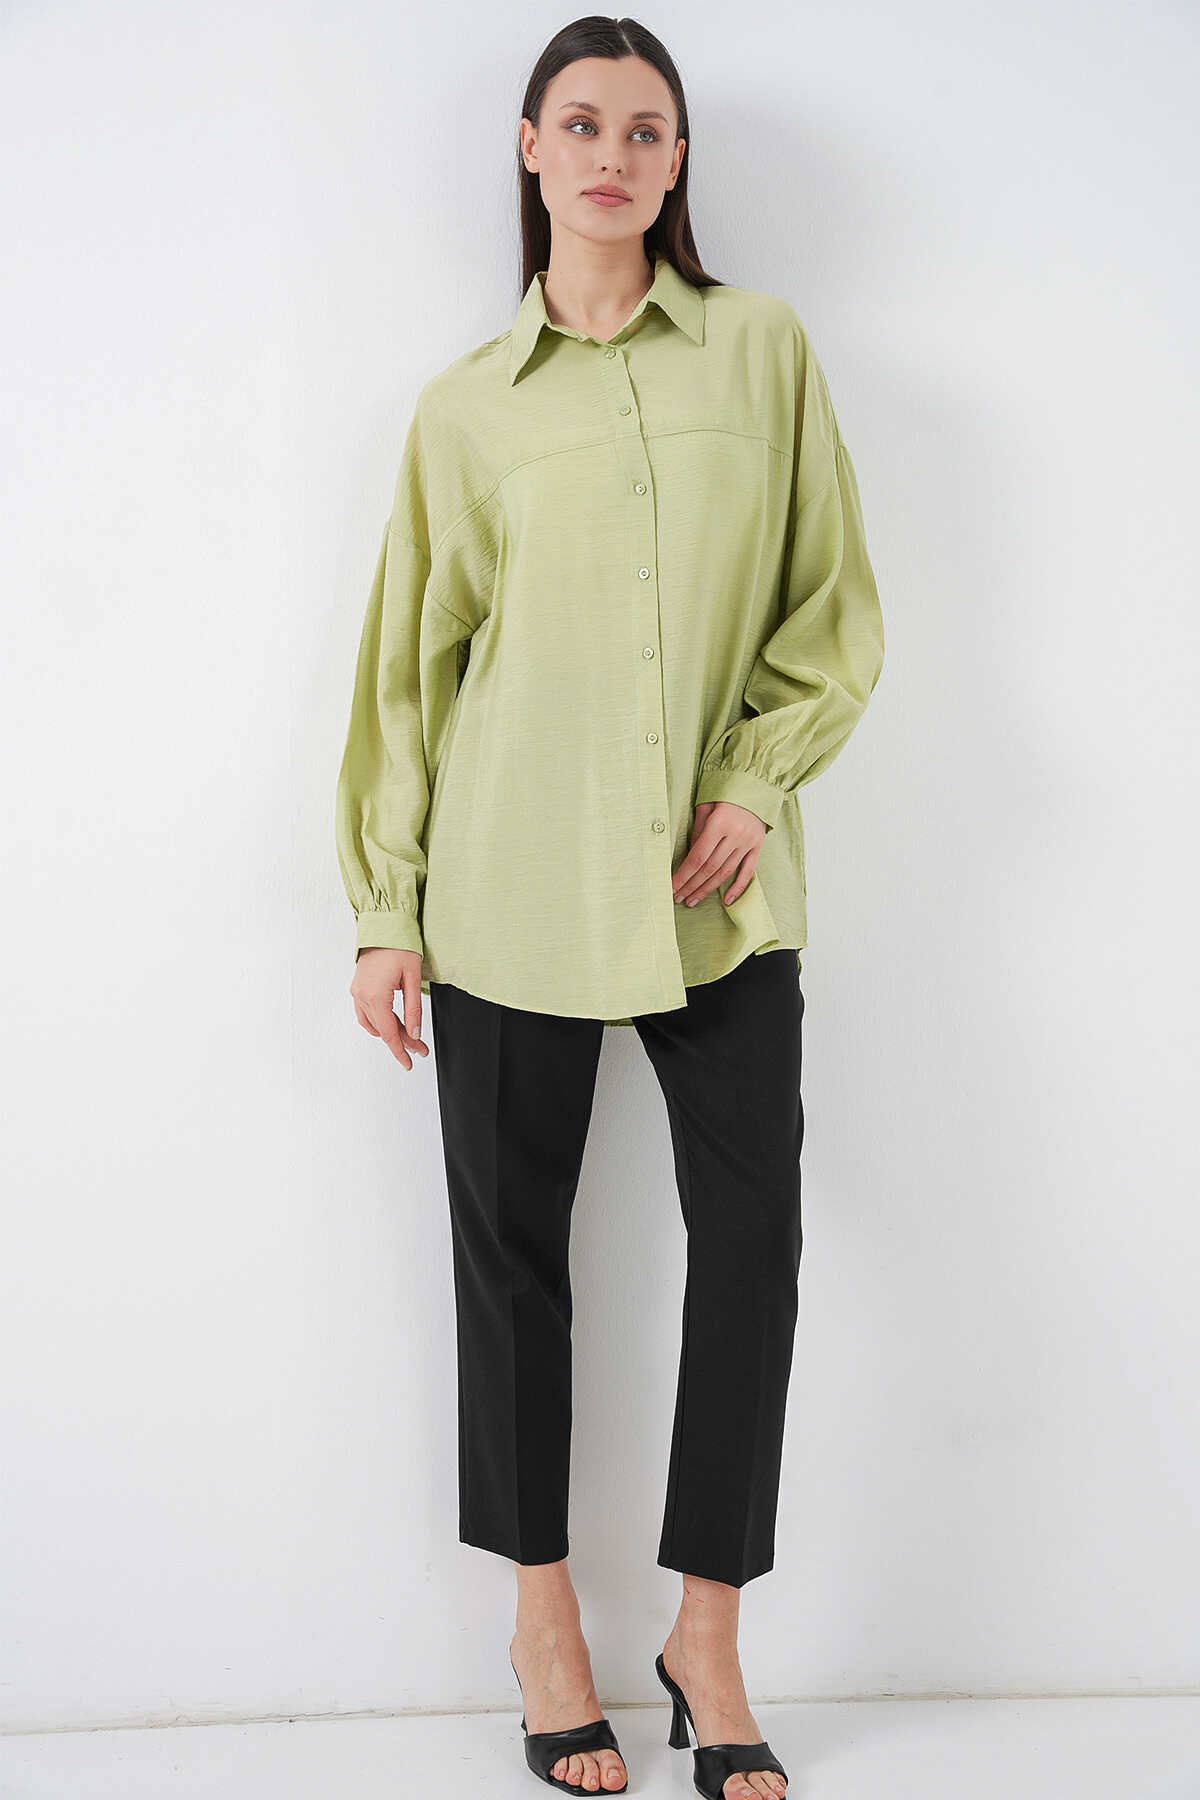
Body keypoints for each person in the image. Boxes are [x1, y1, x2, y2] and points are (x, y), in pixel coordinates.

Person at [334, 17, 884, 1800]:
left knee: (754, 1247)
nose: (612, 156)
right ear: (528, 148)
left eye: (646, 131)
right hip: (510, 880)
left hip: (718, 891)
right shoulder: (464, 411)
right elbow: (412, 673)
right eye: (580, 124)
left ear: (677, 163)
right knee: (512, 1266)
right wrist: (386, 905)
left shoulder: (762, 350)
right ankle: (545, 1625)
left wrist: (756, 779)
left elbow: (829, 602)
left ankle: (705, 1636)